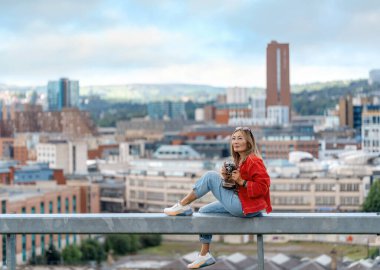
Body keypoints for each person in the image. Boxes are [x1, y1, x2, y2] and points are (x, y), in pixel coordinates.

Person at [164, 127, 272, 269]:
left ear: (249, 142)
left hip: (245, 206)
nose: (235, 141)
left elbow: (263, 187)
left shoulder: (254, 160)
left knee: (210, 176)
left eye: (240, 138)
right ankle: (204, 255)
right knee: (204, 212)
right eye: (233, 138)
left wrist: (241, 181)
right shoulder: (241, 160)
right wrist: (227, 178)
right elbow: (240, 187)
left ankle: (182, 204)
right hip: (245, 203)